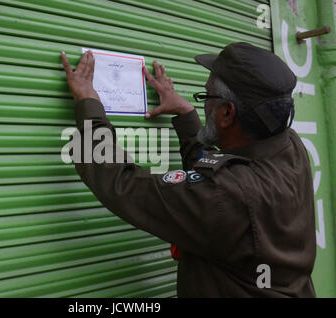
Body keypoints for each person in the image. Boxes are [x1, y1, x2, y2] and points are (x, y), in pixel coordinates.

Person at [60, 42, 316, 297]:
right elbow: (222, 178)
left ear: (227, 113)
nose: (205, 105)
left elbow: (121, 184)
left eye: (207, 96)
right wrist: (186, 117)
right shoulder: (289, 146)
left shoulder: (228, 196)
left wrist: (89, 104)